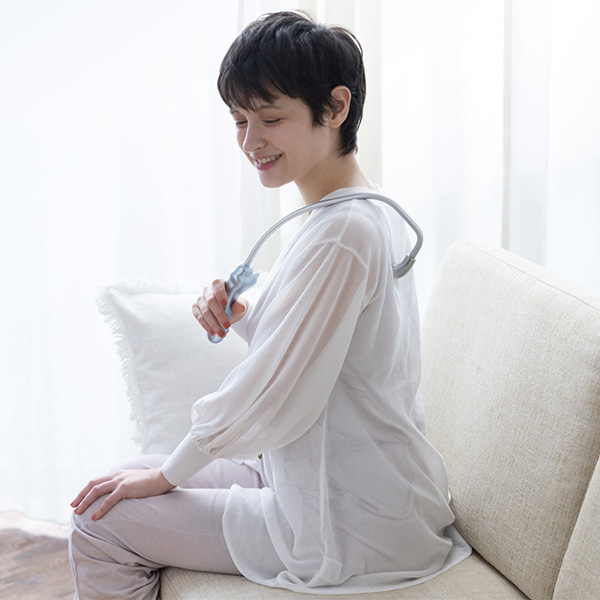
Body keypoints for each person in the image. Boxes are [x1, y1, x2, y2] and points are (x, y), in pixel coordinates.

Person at [69, 11, 471, 599]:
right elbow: (326, 348)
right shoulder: (349, 211)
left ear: (335, 107)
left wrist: (167, 476)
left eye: (271, 119)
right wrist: (243, 313)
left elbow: (267, 390)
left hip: (348, 523)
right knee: (113, 481)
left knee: (98, 519)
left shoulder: (343, 231)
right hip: (338, 484)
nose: (250, 142)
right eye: (240, 120)